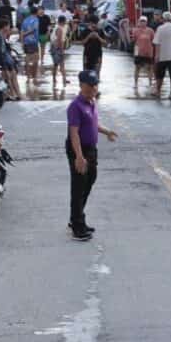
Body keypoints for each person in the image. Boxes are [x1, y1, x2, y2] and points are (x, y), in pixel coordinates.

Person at [66, 70, 118, 240]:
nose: (94, 88)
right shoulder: (76, 106)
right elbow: (74, 133)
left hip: (91, 149)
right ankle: (77, 225)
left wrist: (107, 131)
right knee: (79, 186)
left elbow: (94, 124)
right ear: (81, 85)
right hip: (79, 149)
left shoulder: (92, 102)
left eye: (95, 85)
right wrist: (79, 157)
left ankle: (77, 217)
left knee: (89, 181)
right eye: (90, 85)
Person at [153, 12, 171, 100]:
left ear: (163, 19)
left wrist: (157, 55)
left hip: (162, 55)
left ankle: (158, 91)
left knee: (160, 74)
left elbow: (157, 43)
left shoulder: (160, 28)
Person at [0, 20, 21, 100]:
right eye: (8, 26)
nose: (9, 28)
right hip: (1, 60)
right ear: (4, 27)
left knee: (10, 76)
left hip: (6, 60)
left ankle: (14, 94)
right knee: (6, 77)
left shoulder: (4, 36)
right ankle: (9, 94)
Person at [131, 16, 155, 91]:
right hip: (138, 52)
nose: (142, 23)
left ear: (146, 22)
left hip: (148, 52)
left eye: (144, 21)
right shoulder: (135, 30)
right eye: (141, 21)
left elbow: (153, 40)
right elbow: (133, 40)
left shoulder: (150, 30)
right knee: (137, 68)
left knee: (149, 68)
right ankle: (135, 83)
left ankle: (150, 83)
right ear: (139, 22)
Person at [21, 7, 41, 80]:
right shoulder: (36, 19)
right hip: (33, 41)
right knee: (35, 58)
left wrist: (22, 41)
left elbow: (22, 31)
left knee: (27, 58)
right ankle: (34, 75)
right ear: (36, 12)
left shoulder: (25, 20)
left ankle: (28, 76)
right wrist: (25, 34)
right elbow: (34, 29)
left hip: (26, 42)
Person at [50, 16, 69, 86]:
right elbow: (59, 40)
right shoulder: (60, 29)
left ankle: (57, 79)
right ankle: (61, 79)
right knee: (60, 65)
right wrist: (62, 50)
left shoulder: (56, 27)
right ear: (63, 21)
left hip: (54, 48)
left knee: (57, 64)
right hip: (57, 48)